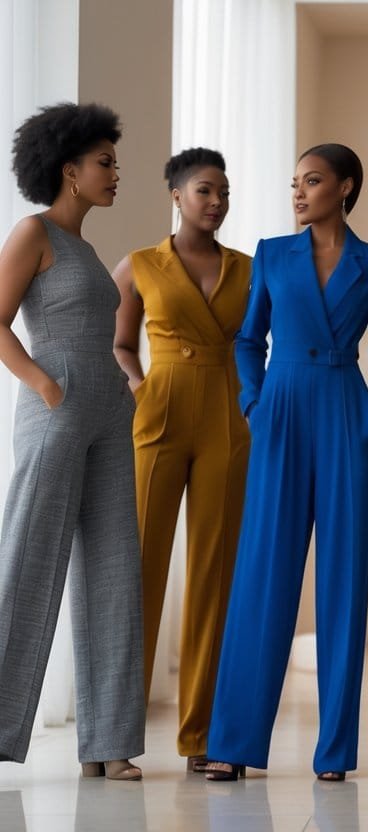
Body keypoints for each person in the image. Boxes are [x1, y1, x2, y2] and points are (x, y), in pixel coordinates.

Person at [205, 143, 368, 782]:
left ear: (344, 187)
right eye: (294, 183)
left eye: (311, 182)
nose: (298, 193)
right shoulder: (271, 254)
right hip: (282, 410)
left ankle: (334, 755)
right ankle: (233, 745)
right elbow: (246, 339)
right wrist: (255, 403)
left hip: (346, 414)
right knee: (263, 571)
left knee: (343, 583)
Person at [0, 102, 144, 780]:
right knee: (28, 559)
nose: (115, 173)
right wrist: (43, 384)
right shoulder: (34, 233)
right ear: (69, 169)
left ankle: (109, 744)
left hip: (109, 413)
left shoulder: (85, 248)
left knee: (114, 568)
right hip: (55, 404)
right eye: (105, 163)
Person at [111, 148, 252, 773]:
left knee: (214, 575)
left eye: (223, 191)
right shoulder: (139, 264)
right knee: (137, 569)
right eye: (204, 190)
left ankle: (203, 737)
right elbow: (116, 343)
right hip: (159, 411)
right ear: (175, 195)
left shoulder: (251, 269)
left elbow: (261, 342)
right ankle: (114, 736)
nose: (216, 202)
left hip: (227, 415)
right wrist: (142, 388)